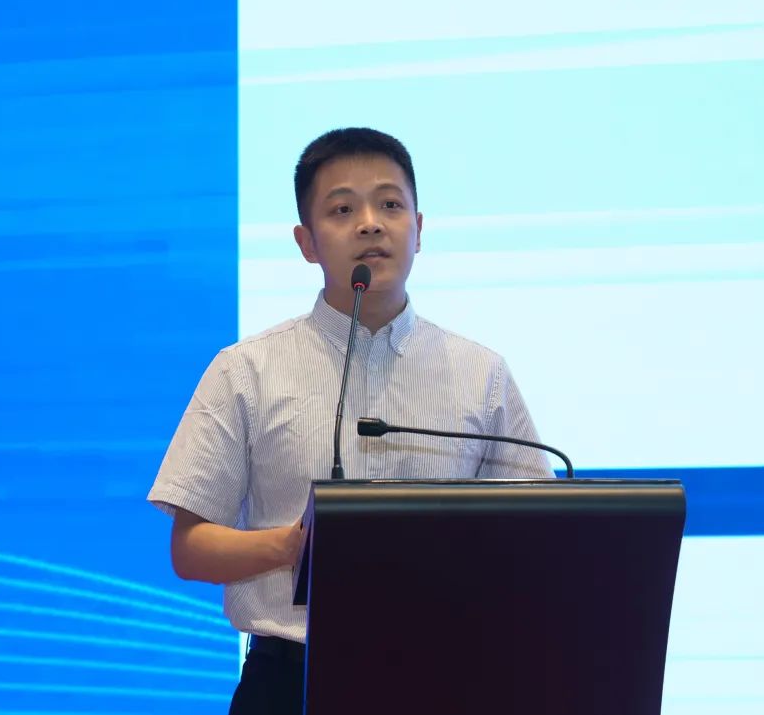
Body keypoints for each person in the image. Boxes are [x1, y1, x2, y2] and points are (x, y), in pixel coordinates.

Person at [147, 127, 554, 714]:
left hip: (446, 676)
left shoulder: (480, 373)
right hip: (289, 682)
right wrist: (293, 547)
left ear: (419, 229)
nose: (370, 224)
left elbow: (539, 537)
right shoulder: (246, 370)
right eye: (342, 210)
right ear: (306, 242)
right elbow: (191, 549)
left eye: (390, 204)